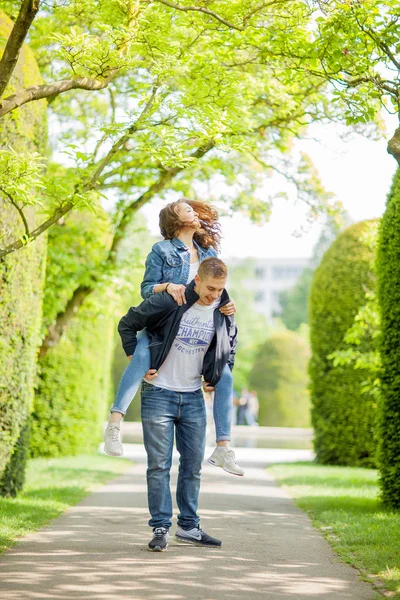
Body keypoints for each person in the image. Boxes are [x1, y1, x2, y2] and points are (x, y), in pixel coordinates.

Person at [104, 198, 244, 476]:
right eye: (187, 210)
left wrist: (227, 303)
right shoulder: (162, 250)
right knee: (142, 355)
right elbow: (146, 289)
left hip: (196, 327)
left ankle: (224, 448)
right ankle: (114, 424)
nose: (194, 213)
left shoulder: (208, 252)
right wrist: (168, 286)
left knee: (225, 374)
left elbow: (216, 286)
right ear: (175, 220)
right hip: (164, 320)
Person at [117, 257, 237, 551]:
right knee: (158, 465)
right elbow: (127, 324)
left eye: (220, 289)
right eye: (210, 288)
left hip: (193, 396)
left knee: (192, 466)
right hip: (159, 393)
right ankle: (160, 527)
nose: (214, 294)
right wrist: (137, 360)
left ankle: (189, 527)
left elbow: (230, 344)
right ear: (197, 279)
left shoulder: (223, 311)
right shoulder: (173, 301)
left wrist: (216, 373)